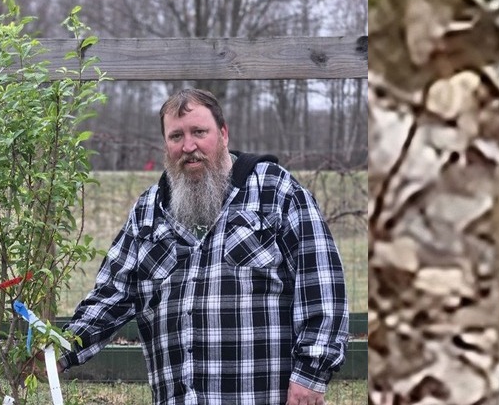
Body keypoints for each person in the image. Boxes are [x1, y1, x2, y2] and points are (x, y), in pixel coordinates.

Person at [59, 88, 349, 405]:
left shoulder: (275, 191)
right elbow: (111, 294)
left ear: (223, 134)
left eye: (199, 132)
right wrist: (59, 349)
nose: (188, 146)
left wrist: (311, 374)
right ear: (165, 145)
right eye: (176, 136)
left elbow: (322, 286)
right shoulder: (148, 212)